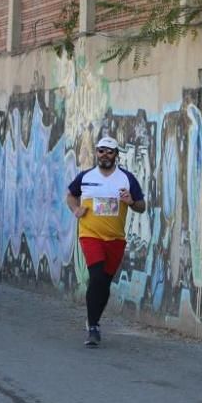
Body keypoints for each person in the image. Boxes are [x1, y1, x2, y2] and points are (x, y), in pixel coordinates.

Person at [66, 136, 145, 347]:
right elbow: (70, 195)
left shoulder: (126, 179)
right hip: (90, 234)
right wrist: (76, 209)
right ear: (96, 153)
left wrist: (131, 202)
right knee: (97, 276)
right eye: (101, 151)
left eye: (109, 152)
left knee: (105, 282)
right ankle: (93, 328)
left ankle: (94, 320)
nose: (105, 155)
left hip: (116, 239)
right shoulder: (86, 177)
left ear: (116, 155)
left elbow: (141, 205)